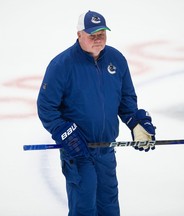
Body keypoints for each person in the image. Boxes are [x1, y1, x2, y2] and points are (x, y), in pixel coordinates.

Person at [37, 10, 156, 216]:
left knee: (109, 206)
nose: (98, 39)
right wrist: (66, 133)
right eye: (92, 34)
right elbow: (46, 108)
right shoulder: (61, 65)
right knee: (84, 208)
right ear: (79, 34)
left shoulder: (116, 60)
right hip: (78, 151)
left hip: (106, 150)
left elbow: (126, 101)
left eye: (102, 33)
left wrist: (136, 123)